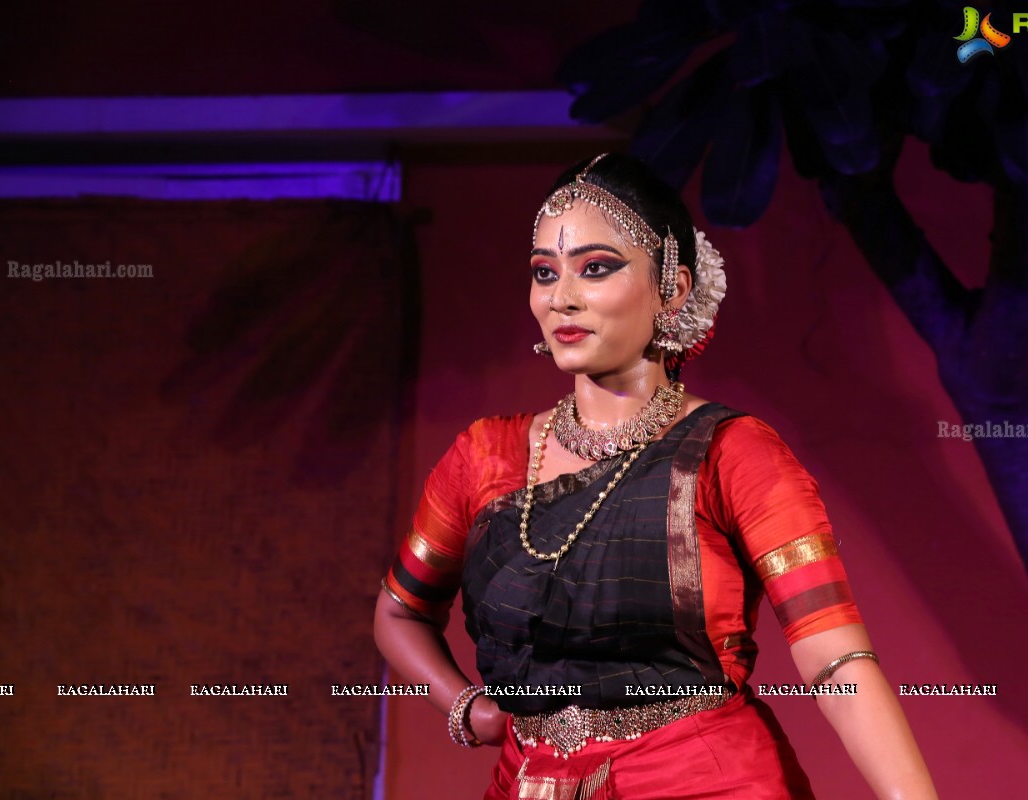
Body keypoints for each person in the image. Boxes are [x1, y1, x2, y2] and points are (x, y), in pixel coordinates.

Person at [373, 153, 937, 799]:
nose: (562, 297)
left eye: (596, 268)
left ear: (672, 287)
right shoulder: (485, 457)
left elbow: (837, 661)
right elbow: (399, 612)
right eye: (543, 272)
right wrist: (465, 708)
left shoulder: (732, 453)